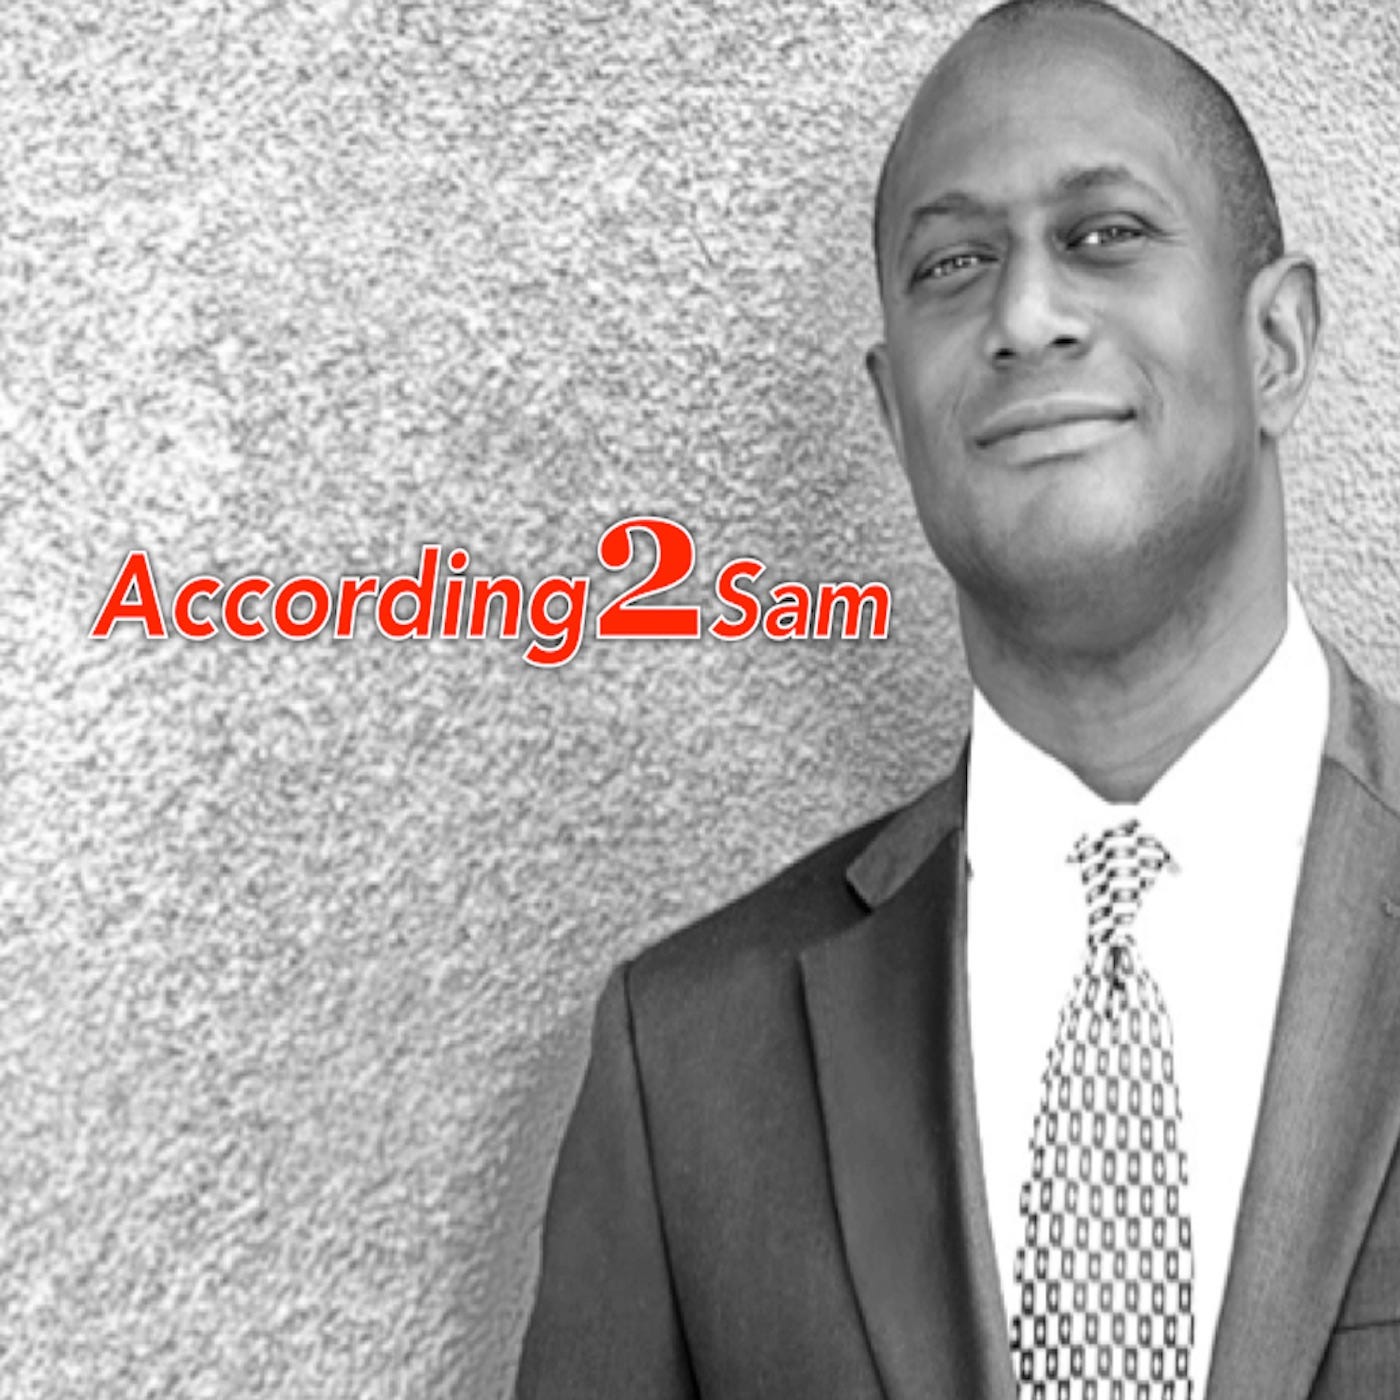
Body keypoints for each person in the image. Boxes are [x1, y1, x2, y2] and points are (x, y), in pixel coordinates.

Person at [514, 2, 1400, 1396]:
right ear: (893, 411)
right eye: (953, 263)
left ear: (1277, 341)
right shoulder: (685, 1061)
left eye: (1105, 233)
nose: (1026, 314)